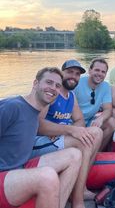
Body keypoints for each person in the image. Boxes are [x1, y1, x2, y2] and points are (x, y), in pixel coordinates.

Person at [0, 67, 82, 208]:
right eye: (48, 82)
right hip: (4, 175)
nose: (53, 88)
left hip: (21, 167)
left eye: (57, 85)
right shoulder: (12, 107)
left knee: (75, 155)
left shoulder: (37, 113)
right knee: (48, 176)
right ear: (35, 83)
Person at [31, 60, 103, 206]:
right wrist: (70, 130)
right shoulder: (52, 93)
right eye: (70, 72)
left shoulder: (71, 96)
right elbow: (38, 125)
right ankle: (77, 201)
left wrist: (74, 129)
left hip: (58, 139)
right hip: (39, 142)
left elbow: (79, 119)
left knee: (97, 132)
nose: (74, 76)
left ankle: (80, 186)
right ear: (61, 73)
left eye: (77, 74)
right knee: (83, 141)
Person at [74, 58, 115, 151]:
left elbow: (108, 109)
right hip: (74, 123)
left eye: (103, 72)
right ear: (90, 70)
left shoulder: (105, 86)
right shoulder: (77, 83)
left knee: (112, 123)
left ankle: (97, 152)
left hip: (90, 121)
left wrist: (100, 119)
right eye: (97, 70)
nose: (100, 74)